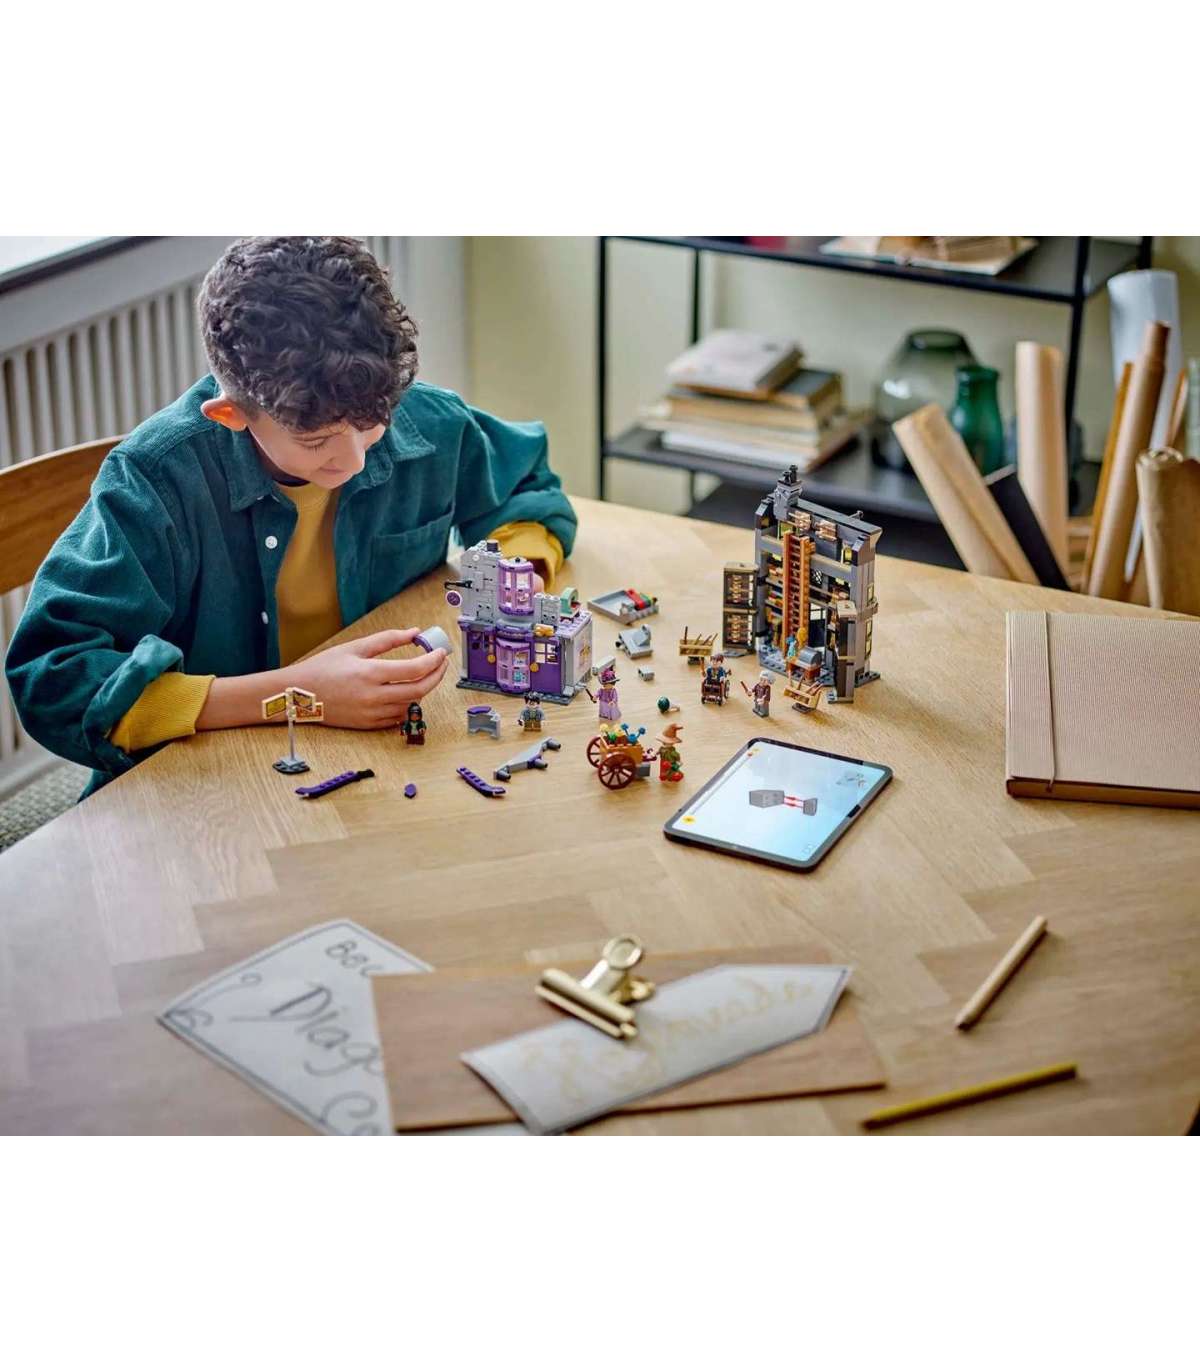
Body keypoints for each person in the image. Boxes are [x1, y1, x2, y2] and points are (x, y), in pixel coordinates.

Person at [5, 237, 576, 795]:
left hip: (377, 754)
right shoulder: (155, 479)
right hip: (204, 785)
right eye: (316, 440)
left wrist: (517, 575)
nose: (354, 460)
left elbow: (525, 487)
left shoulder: (424, 418)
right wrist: (294, 695)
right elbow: (54, 678)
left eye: (371, 424)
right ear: (231, 414)